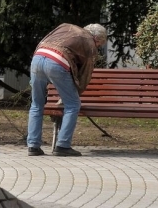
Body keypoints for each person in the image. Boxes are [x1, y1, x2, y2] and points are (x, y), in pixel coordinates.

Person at [27, 23, 107, 157]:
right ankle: (63, 145)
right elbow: (85, 74)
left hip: (37, 58)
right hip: (56, 62)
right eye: (100, 44)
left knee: (36, 104)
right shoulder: (89, 42)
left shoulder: (65, 27)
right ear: (97, 39)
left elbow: (44, 41)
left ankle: (33, 146)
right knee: (73, 104)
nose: (97, 47)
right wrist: (75, 92)